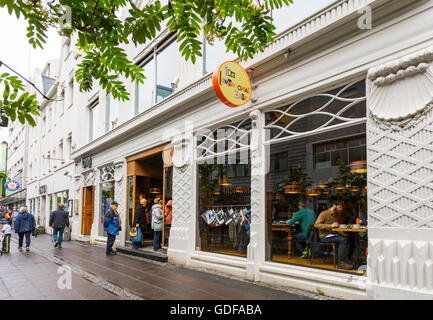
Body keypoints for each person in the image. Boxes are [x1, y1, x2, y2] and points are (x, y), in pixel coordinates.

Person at [314, 203, 353, 270]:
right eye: (339, 207)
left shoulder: (335, 215)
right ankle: (341, 263)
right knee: (343, 239)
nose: (341, 209)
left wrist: (343, 233)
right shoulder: (324, 213)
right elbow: (316, 225)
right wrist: (330, 226)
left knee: (348, 238)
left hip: (332, 235)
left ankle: (346, 260)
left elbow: (336, 227)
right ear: (334, 206)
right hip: (324, 236)